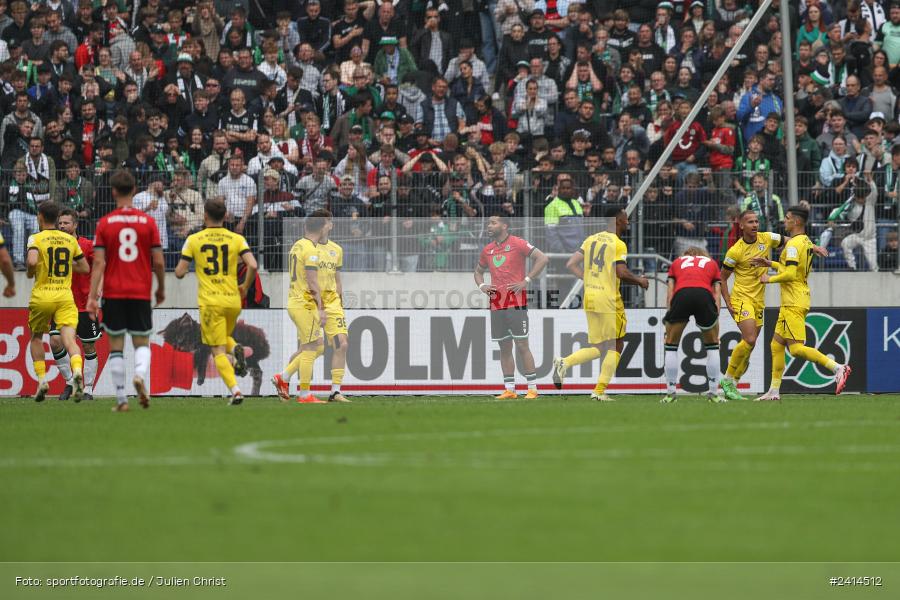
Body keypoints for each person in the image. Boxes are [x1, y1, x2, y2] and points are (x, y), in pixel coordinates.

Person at [753, 207, 852, 400]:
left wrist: (769, 279)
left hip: (793, 301)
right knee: (776, 344)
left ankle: (838, 368)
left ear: (796, 222)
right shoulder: (805, 240)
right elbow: (793, 269)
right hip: (795, 298)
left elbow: (789, 274)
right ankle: (774, 391)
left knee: (796, 349)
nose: (785, 221)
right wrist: (769, 263)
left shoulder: (792, 246)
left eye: (788, 218)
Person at [87, 170, 166, 412]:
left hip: (113, 293)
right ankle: (140, 375)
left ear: (113, 192)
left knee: (116, 346)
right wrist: (161, 287)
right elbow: (159, 261)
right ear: (134, 191)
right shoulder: (148, 222)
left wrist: (92, 297)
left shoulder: (105, 223)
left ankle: (121, 399)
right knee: (142, 342)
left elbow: (98, 262)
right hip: (140, 292)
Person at [552, 207, 650, 401]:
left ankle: (564, 362)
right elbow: (621, 273)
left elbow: (571, 263)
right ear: (618, 220)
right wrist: (640, 280)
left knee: (599, 346)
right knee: (617, 344)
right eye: (625, 217)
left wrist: (588, 280)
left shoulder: (591, 239)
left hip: (590, 296)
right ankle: (599, 391)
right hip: (608, 300)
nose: (627, 220)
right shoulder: (618, 244)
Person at [174, 198, 258, 406]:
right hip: (233, 300)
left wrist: (186, 266)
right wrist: (245, 287)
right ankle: (237, 347)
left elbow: (179, 272)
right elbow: (253, 265)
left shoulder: (194, 239)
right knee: (224, 338)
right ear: (225, 216)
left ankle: (236, 391)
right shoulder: (236, 238)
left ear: (205, 215)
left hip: (211, 302)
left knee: (217, 349)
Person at [474, 214, 549, 400]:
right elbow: (478, 271)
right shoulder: (488, 250)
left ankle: (532, 389)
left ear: (505, 226)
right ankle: (510, 389)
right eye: (488, 223)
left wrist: (526, 280)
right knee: (504, 347)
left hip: (516, 304)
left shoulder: (518, 243)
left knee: (522, 344)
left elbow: (542, 258)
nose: (489, 225)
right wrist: (482, 286)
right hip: (496, 305)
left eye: (493, 222)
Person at [26, 201, 89, 402]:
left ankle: (42, 380)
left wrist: (30, 272)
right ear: (56, 219)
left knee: (36, 337)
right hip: (64, 295)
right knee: (70, 340)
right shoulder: (69, 240)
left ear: (41, 217)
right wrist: (67, 269)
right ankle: (77, 371)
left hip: (42, 295)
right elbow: (84, 267)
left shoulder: (35, 238)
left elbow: (32, 262)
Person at [718, 210, 785, 401]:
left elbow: (790, 240)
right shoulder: (735, 251)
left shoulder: (766, 238)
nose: (755, 225)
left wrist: (810, 247)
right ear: (741, 225)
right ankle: (727, 379)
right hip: (741, 298)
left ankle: (734, 384)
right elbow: (722, 279)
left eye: (756, 221)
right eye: (750, 222)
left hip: (758, 301)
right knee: (749, 339)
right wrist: (729, 303)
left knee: (750, 345)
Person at [271, 212, 329, 404]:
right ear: (321, 229)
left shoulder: (297, 245)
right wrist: (320, 309)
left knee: (317, 346)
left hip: (295, 301)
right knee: (312, 348)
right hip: (304, 304)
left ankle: (283, 377)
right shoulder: (311, 250)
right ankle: (305, 395)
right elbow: (312, 281)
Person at [48, 209, 101, 402]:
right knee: (54, 342)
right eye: (60, 223)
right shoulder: (52, 246)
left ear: (75, 225)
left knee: (88, 346)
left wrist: (98, 290)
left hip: (84, 304)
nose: (62, 226)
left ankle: (88, 389)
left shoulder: (86, 245)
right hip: (61, 304)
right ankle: (70, 382)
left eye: (66, 223)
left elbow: (99, 267)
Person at [661, 247, 724, 404]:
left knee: (671, 346)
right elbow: (717, 293)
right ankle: (713, 394)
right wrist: (716, 326)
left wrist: (667, 329)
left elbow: (670, 293)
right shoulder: (711, 263)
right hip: (704, 295)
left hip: (681, 295)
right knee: (712, 346)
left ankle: (671, 394)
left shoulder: (676, 262)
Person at [313, 210, 350, 403]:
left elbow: (338, 280)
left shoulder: (337, 249)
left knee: (341, 344)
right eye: (323, 221)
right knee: (312, 348)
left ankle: (335, 391)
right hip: (313, 303)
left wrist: (341, 302)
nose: (326, 224)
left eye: (328, 221)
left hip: (333, 304)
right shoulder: (307, 248)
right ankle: (284, 378)